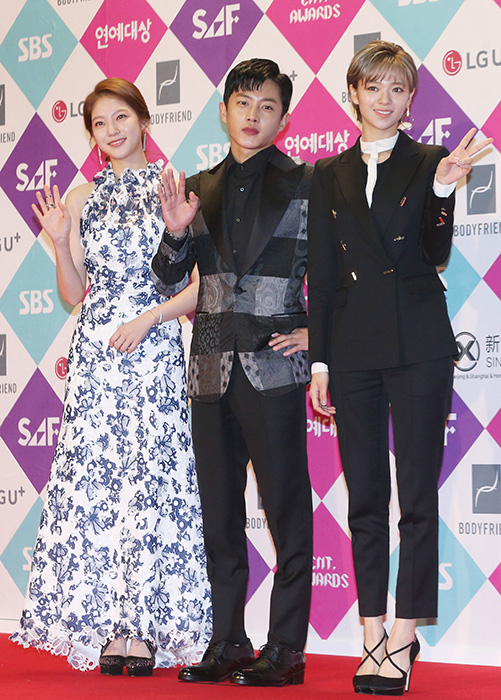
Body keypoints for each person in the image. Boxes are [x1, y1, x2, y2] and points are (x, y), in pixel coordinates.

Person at [307, 41, 492, 696]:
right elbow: (322, 273)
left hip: (418, 345)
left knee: (415, 497)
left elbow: (434, 251)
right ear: (353, 94)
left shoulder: (429, 162)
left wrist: (443, 190)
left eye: (397, 88)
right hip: (352, 350)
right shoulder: (325, 173)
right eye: (373, 86)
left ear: (411, 98)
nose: (384, 99)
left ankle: (405, 633)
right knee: (364, 497)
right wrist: (320, 361)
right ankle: (370, 631)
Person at [10, 78, 211, 675]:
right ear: (92, 136)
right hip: (97, 355)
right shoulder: (80, 198)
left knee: (150, 480)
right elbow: (74, 293)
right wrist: (59, 242)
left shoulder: (177, 189)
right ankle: (107, 624)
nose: (112, 130)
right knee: (100, 487)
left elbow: (200, 287)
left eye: (121, 117)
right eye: (100, 123)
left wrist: (150, 319)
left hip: (153, 347)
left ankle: (143, 627)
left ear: (144, 120)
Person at [150, 58, 313, 687]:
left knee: (287, 512)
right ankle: (228, 642)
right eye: (243, 102)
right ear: (224, 111)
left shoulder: (307, 183)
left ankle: (286, 649)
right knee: (219, 515)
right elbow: (168, 280)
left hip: (276, 363)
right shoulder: (197, 188)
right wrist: (174, 235)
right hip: (211, 368)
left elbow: (332, 271)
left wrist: (318, 333)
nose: (253, 114)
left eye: (267, 105)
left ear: (283, 118)